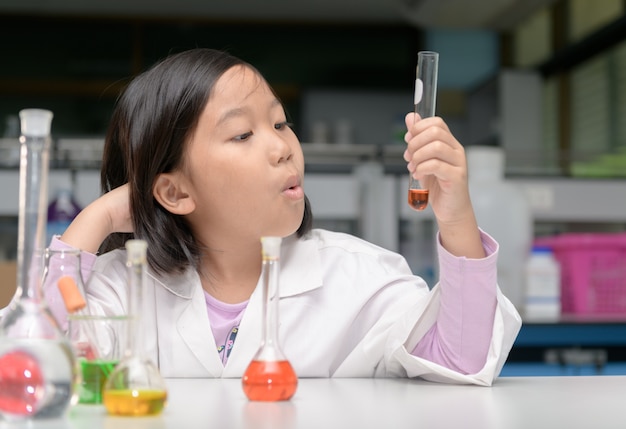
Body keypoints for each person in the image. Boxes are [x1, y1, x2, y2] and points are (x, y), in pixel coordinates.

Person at [44, 48, 521, 384]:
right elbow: (40, 367)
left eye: (279, 122)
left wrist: (456, 217)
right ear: (174, 190)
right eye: (242, 135)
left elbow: (461, 361)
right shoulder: (117, 289)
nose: (282, 147)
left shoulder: (359, 278)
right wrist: (99, 217)